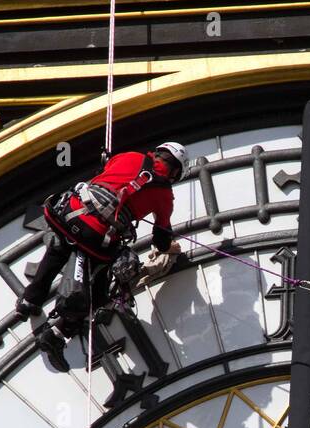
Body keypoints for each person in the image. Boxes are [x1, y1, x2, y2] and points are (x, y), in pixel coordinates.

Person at [17, 141, 187, 371]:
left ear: (157, 152)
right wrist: (166, 244)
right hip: (95, 238)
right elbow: (161, 238)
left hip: (67, 212)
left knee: (60, 246)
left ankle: (29, 301)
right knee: (99, 291)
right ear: (176, 172)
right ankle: (57, 333)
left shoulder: (130, 155)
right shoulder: (164, 195)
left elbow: (104, 171)